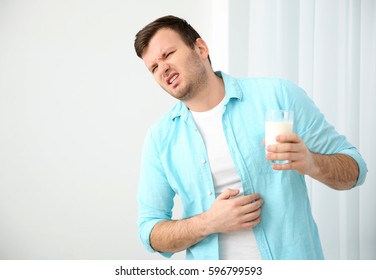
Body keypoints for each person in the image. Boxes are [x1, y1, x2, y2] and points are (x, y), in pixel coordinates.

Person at [134, 15, 367, 260]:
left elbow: (355, 170)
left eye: (167, 54)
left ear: (200, 48)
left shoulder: (277, 95)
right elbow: (149, 230)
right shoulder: (160, 138)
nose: (162, 69)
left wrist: (311, 162)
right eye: (154, 68)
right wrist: (208, 223)